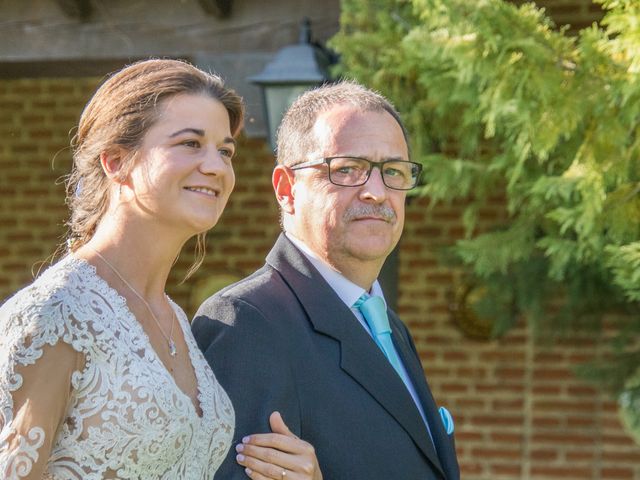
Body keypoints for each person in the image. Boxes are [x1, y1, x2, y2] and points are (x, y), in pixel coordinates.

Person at [0, 59, 321, 480]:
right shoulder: (56, 312)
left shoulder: (177, 322)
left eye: (225, 151)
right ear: (115, 161)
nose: (217, 167)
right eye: (190, 143)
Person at [192, 81, 461, 479]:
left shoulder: (390, 328)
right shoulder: (247, 324)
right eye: (348, 169)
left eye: (392, 171)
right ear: (286, 189)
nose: (376, 192)